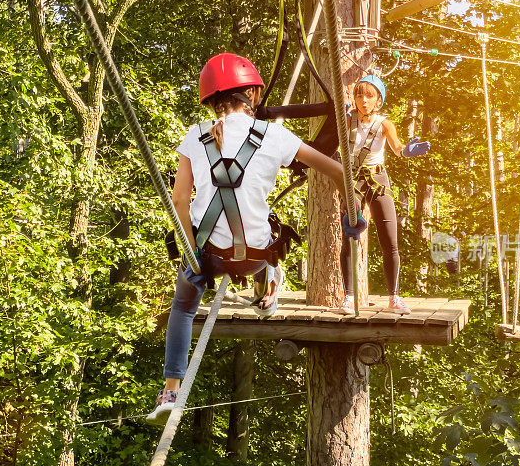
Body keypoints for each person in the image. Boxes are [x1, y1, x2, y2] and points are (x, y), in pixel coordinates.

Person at [147, 52, 354, 424]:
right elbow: (336, 171)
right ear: (254, 96)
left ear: (210, 101)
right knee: (267, 233)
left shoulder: (195, 136)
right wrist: (354, 209)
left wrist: (191, 249)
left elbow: (179, 199)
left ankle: (170, 391)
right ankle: (267, 284)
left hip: (208, 255)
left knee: (182, 308)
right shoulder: (275, 135)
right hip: (257, 253)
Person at [337, 75, 430, 315]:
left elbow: (397, 148)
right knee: (350, 235)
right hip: (353, 180)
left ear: (378, 99)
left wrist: (406, 151)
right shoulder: (348, 120)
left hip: (377, 180)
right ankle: (348, 297)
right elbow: (335, 139)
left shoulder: (384, 124)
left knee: (390, 240)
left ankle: (394, 297)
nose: (363, 100)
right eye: (359, 95)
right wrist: (341, 117)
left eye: (368, 96)